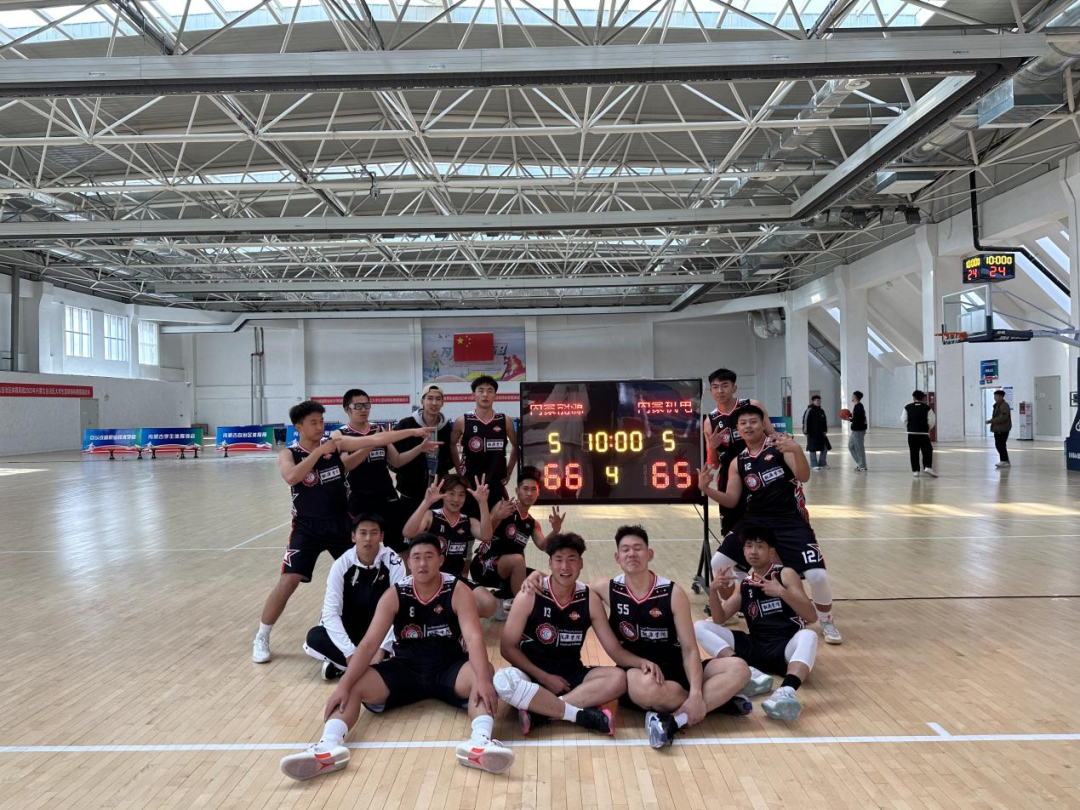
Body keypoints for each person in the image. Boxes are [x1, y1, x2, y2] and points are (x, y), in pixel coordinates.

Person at [279, 533, 515, 780]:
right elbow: (369, 644)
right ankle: (328, 747)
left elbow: (474, 638)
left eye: (429, 557)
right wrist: (343, 686)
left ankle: (480, 743)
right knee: (354, 683)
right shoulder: (395, 594)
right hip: (405, 669)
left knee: (483, 672)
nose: (422, 563)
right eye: (416, 558)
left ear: (440, 560)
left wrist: (484, 680)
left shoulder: (458, 591)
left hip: (449, 667)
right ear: (408, 563)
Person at [524, 525, 753, 749]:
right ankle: (714, 702)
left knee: (740, 668)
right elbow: (564, 580)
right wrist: (536, 575)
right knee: (647, 689)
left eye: (638, 548)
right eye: (625, 549)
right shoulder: (607, 588)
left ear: (649, 554)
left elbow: (690, 649)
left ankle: (681, 714)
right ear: (617, 557)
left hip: (676, 669)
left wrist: (695, 692)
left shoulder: (673, 593)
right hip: (637, 673)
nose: (631, 554)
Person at [252, 401, 431, 664]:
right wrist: (318, 452)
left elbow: (377, 439)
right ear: (298, 427)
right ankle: (262, 636)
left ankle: (356, 628)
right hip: (306, 528)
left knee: (367, 571)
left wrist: (412, 432)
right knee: (289, 580)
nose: (319, 427)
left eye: (321, 422)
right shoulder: (289, 453)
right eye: (313, 423)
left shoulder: (335, 445)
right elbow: (292, 477)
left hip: (340, 524)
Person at [698, 404, 842, 645]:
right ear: (738, 430)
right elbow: (732, 500)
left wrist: (797, 450)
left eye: (753, 421)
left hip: (789, 520)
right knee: (718, 563)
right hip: (756, 519)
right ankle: (732, 605)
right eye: (743, 423)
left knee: (817, 575)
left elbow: (804, 476)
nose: (748, 426)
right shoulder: (738, 461)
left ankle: (826, 620)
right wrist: (706, 489)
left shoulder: (781, 447)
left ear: (763, 424)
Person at [496, 532, 649, 736]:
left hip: (569, 676)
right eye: (558, 560)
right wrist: (545, 677)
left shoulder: (589, 599)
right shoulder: (530, 593)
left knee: (619, 678)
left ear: (581, 563)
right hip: (532, 674)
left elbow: (614, 649)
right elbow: (507, 648)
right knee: (504, 680)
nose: (565, 567)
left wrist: (641, 662)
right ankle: (574, 712)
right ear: (550, 564)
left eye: (571, 560)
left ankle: (541, 712)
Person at [694, 525, 819, 722]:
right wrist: (714, 591)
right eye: (749, 546)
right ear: (743, 551)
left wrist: (781, 592)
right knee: (699, 626)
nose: (753, 551)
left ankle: (786, 691)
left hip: (785, 647)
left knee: (809, 635)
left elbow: (811, 616)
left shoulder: (785, 574)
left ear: (771, 551)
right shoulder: (745, 584)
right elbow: (719, 619)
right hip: (756, 647)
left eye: (760, 546)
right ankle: (747, 670)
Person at [302, 513, 406, 680]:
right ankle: (369, 667)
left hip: (378, 630)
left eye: (373, 533)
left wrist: (381, 649)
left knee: (411, 637)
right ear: (353, 537)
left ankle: (341, 666)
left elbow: (400, 609)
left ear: (381, 536)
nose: (368, 538)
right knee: (315, 637)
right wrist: (350, 653)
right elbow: (330, 613)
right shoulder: (341, 565)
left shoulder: (394, 562)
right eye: (363, 533)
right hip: (350, 629)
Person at [339, 388, 438, 553]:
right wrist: (372, 442)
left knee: (401, 546)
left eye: (367, 405)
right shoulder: (341, 434)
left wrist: (420, 448)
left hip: (387, 497)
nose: (364, 410)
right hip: (359, 500)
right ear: (347, 409)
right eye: (358, 406)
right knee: (365, 548)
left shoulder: (379, 430)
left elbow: (397, 461)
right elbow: (346, 466)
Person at [401, 473, 498, 618]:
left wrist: (482, 503)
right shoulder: (431, 516)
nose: (456, 499)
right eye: (451, 493)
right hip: (430, 578)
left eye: (461, 495)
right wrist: (427, 501)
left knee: (489, 604)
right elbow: (408, 532)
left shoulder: (468, 521)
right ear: (443, 494)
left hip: (455, 579)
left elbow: (486, 535)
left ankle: (451, 618)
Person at [471, 467, 564, 600]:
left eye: (533, 489)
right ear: (516, 490)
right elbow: (485, 533)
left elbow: (543, 545)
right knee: (518, 560)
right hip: (483, 565)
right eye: (525, 489)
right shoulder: (503, 507)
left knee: (546, 581)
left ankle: (504, 596)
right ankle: (519, 604)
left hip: (509, 569)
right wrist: (496, 517)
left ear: (538, 493)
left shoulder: (532, 523)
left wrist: (555, 530)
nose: (529, 493)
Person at [703, 368, 775, 534]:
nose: (720, 391)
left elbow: (772, 437)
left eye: (725, 385)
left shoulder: (752, 406)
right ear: (710, 391)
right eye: (715, 387)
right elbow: (714, 464)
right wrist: (712, 447)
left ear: (734, 388)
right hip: (730, 478)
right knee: (732, 529)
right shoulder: (710, 420)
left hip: (760, 471)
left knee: (765, 528)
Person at [450, 375, 518, 515]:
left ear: (495, 396)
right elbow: (451, 445)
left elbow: (516, 445)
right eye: (481, 390)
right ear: (473, 395)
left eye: (489, 391)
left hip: (496, 482)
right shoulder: (462, 421)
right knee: (470, 523)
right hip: (470, 483)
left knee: (496, 523)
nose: (485, 394)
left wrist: (509, 470)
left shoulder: (505, 421)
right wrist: (459, 470)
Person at [393, 384, 455, 519]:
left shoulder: (446, 428)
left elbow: (450, 457)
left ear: (443, 402)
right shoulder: (406, 425)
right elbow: (392, 457)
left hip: (437, 491)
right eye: (430, 398)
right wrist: (406, 473)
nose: (434, 403)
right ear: (422, 401)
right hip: (410, 493)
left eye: (438, 399)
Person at [903, 390, 938, 478]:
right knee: (927, 450)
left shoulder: (907, 407)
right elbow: (932, 420)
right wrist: (927, 428)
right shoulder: (927, 408)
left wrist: (910, 427)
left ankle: (915, 471)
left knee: (913, 451)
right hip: (923, 433)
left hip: (911, 434)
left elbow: (904, 419)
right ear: (923, 398)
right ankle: (927, 467)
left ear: (913, 398)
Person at [842, 391, 868, 472]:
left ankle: (862, 466)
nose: (852, 396)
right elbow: (858, 417)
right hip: (855, 430)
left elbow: (859, 419)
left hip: (859, 431)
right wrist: (851, 416)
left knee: (859, 448)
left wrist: (849, 419)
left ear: (855, 397)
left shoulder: (859, 406)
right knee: (851, 446)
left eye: (853, 395)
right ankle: (860, 463)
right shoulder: (857, 406)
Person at [801, 395, 830, 470]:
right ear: (813, 401)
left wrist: (825, 430)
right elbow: (805, 422)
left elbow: (824, 421)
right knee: (812, 449)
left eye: (819, 400)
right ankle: (813, 464)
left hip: (821, 434)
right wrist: (806, 433)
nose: (819, 402)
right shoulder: (809, 410)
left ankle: (822, 463)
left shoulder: (821, 411)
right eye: (817, 400)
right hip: (812, 433)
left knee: (825, 447)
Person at [987, 389, 1012, 468]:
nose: (995, 398)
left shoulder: (1004, 405)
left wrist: (991, 421)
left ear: (1001, 397)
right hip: (997, 428)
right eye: (994, 396)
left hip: (1003, 429)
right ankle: (1004, 460)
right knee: (998, 445)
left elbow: (1002, 417)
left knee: (1001, 445)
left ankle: (1004, 461)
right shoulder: (997, 405)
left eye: (996, 396)